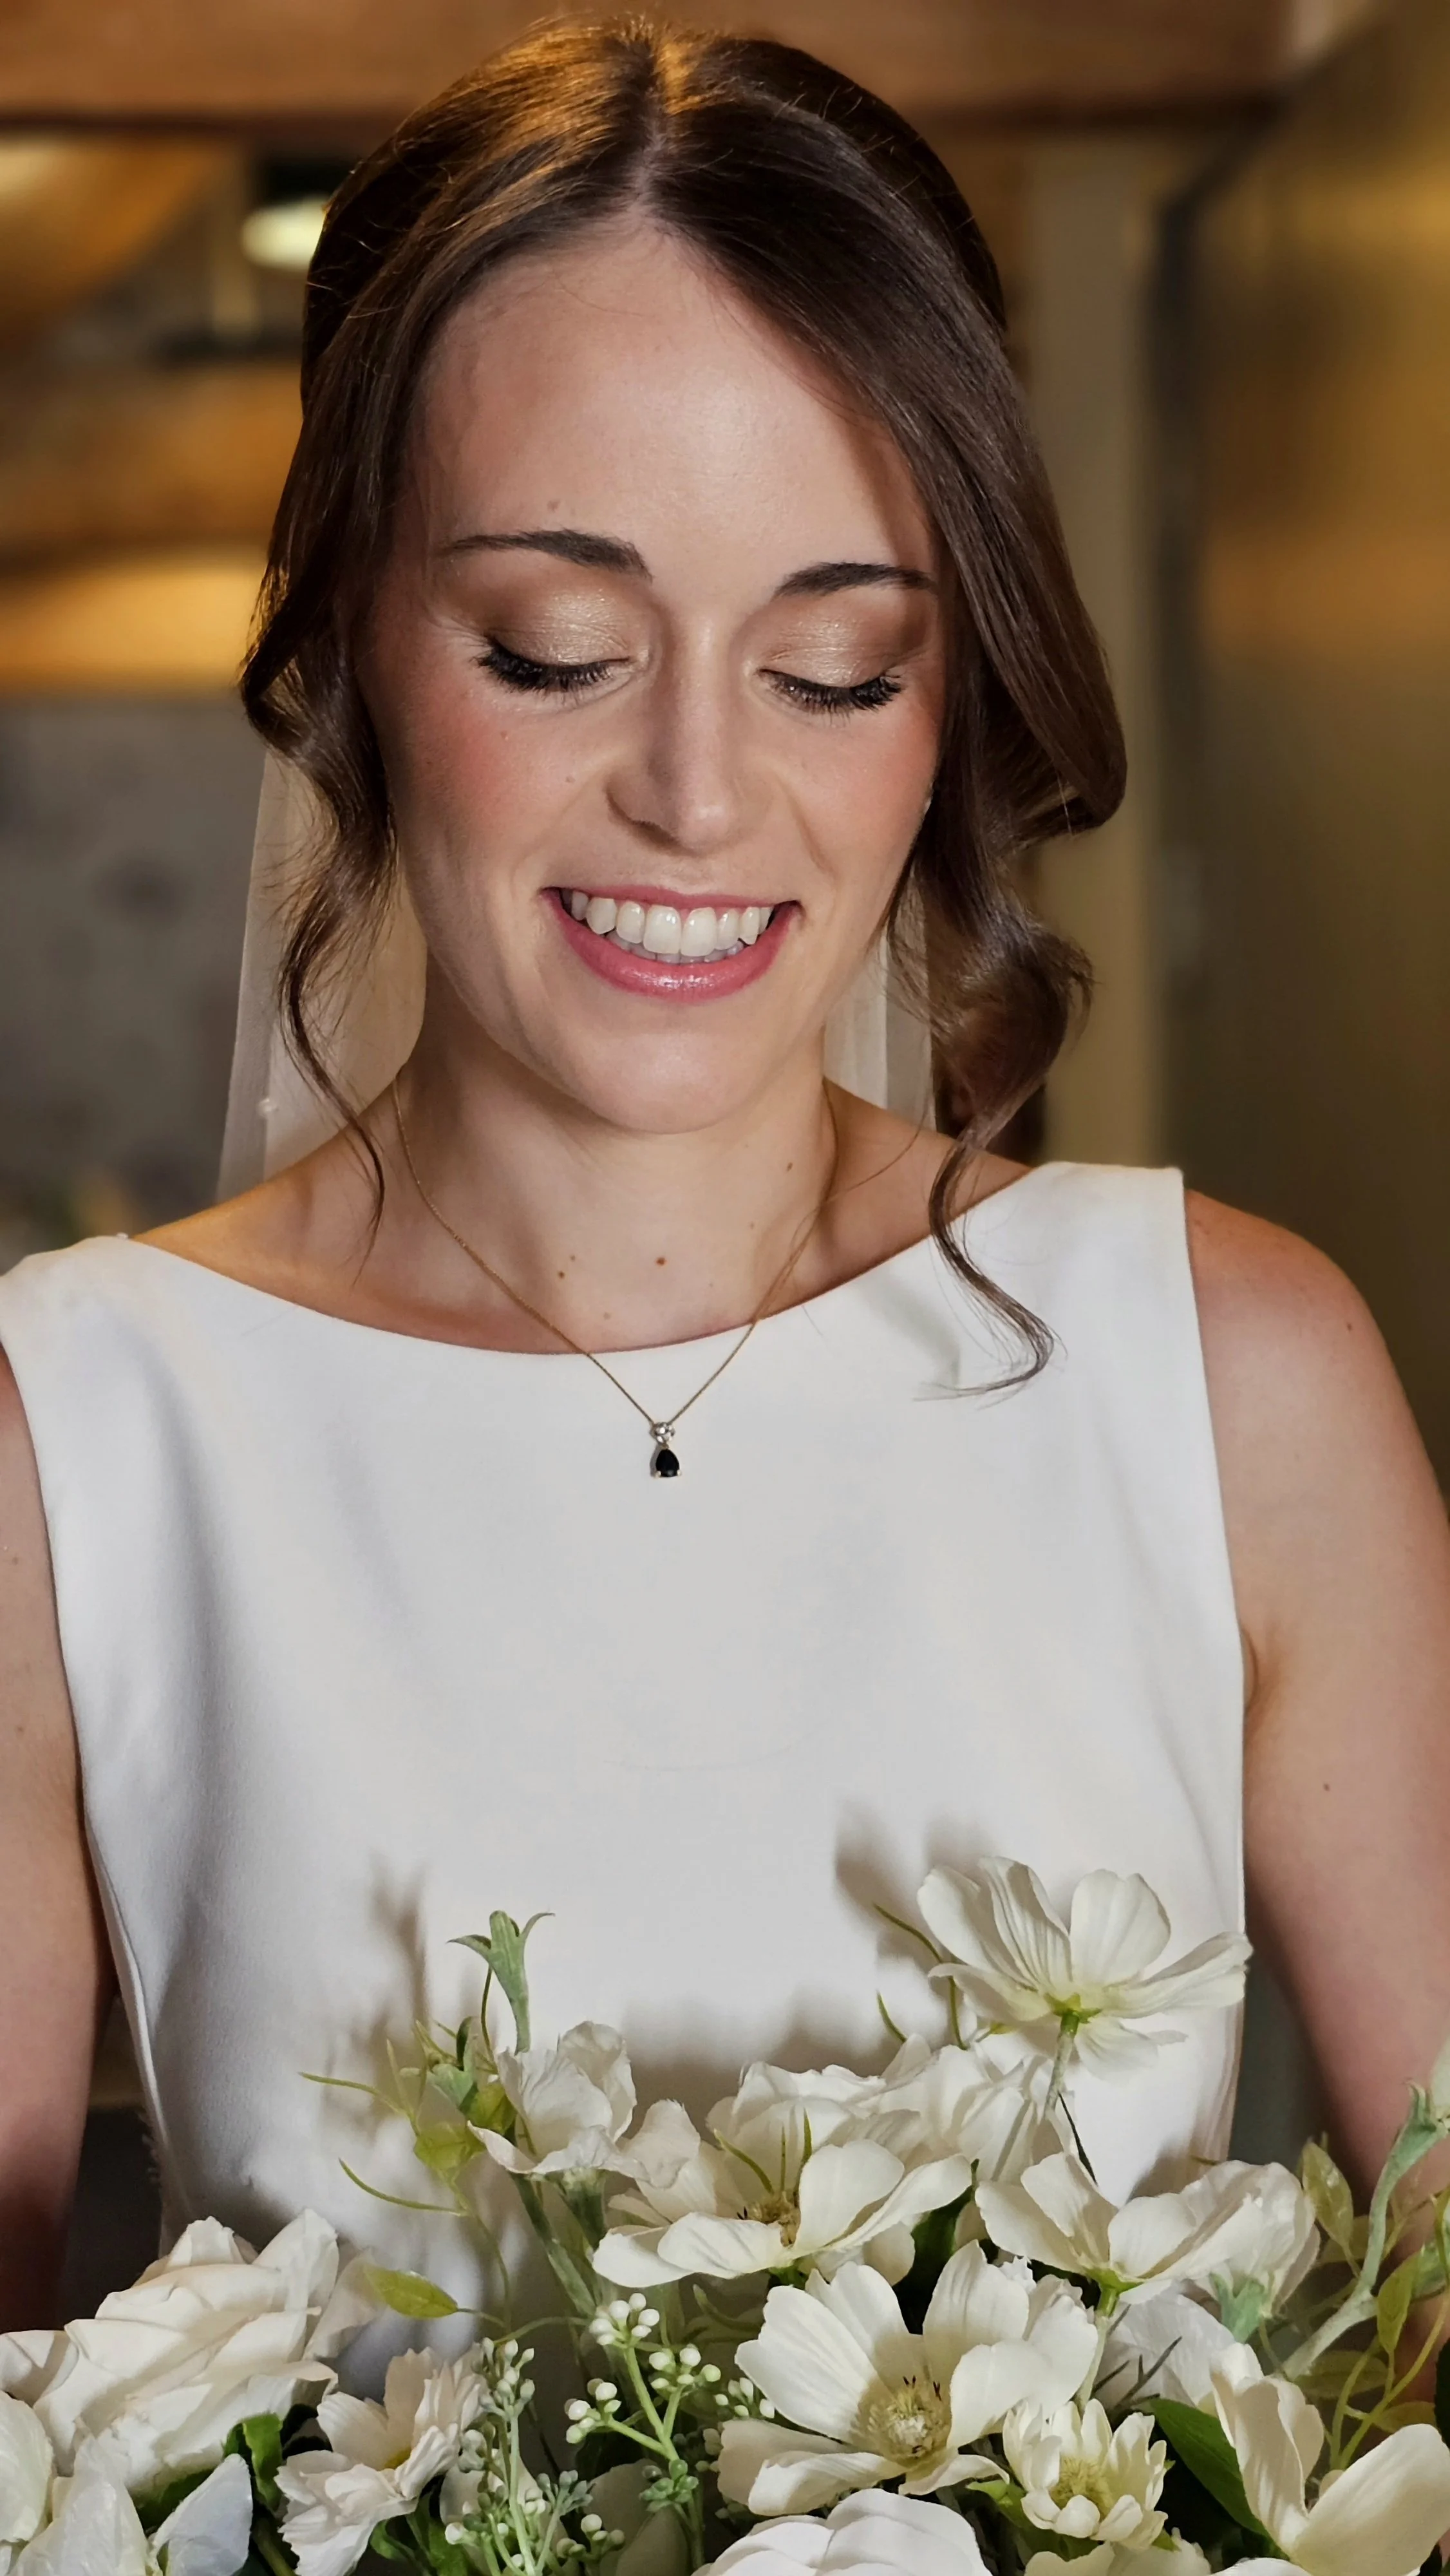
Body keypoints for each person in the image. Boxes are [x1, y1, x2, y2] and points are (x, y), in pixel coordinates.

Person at [1, 22, 1448, 2336]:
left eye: (838, 670)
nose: (697, 791)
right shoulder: (68, 1441)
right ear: (353, 647)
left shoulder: (1234, 1376)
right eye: (553, 650)